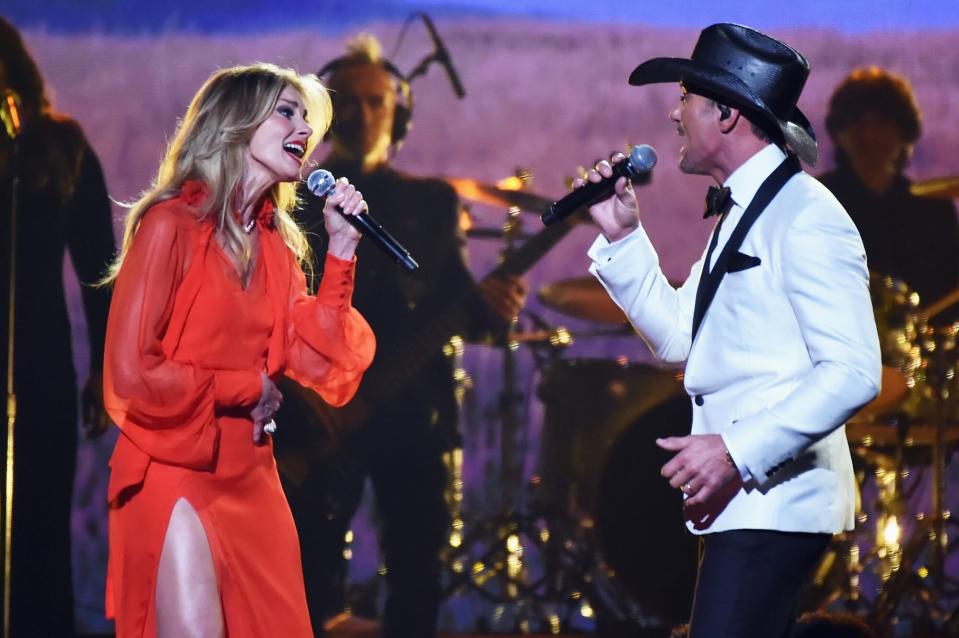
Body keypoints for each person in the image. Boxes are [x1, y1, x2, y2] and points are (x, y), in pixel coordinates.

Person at [579, 24, 882, 637]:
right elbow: (678, 341)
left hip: (776, 504)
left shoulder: (806, 217)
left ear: (725, 114)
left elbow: (854, 372)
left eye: (686, 95)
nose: (673, 111)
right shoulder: (743, 213)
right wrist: (623, 239)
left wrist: (736, 454)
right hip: (741, 505)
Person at [100, 62, 375, 637]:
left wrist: (343, 254)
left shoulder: (274, 246)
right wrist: (243, 387)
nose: (304, 128)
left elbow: (319, 357)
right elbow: (130, 373)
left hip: (252, 477)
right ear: (235, 124)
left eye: (307, 117)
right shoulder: (169, 226)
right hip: (177, 468)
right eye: (286, 112)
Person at [273, 35, 526, 638]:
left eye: (376, 102)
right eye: (349, 103)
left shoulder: (432, 203)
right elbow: (273, 313)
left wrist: (496, 309)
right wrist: (305, 401)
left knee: (417, 581)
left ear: (398, 112)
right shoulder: (295, 201)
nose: (363, 114)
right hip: (319, 417)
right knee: (305, 581)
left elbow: (463, 306)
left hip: (415, 416)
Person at [0, 17, 116, 637]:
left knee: (38, 532)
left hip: (37, 368)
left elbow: (100, 267)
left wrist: (105, 369)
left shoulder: (57, 147)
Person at [818, 66, 959, 323]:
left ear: (904, 133)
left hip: (918, 356)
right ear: (839, 133)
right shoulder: (815, 203)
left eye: (883, 123)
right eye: (858, 123)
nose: (869, 136)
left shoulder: (934, 210)